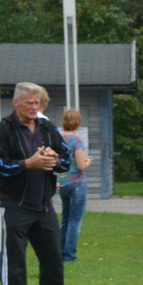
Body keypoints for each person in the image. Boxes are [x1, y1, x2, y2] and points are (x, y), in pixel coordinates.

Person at [0, 81, 70, 285]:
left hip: (44, 206)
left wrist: (53, 160)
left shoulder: (47, 128)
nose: (34, 107)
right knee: (15, 263)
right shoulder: (1, 130)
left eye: (37, 103)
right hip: (16, 205)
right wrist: (28, 163)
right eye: (29, 103)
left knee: (54, 259)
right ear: (16, 102)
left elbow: (66, 161)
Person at [57, 108, 92, 263]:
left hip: (63, 184)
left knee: (65, 220)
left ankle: (59, 251)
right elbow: (81, 165)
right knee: (75, 221)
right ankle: (70, 255)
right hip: (77, 184)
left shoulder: (59, 140)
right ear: (78, 123)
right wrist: (88, 161)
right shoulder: (77, 142)